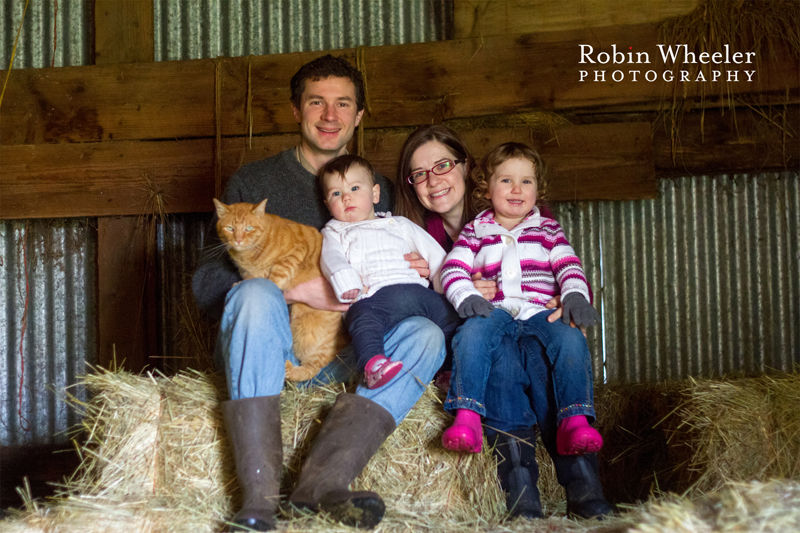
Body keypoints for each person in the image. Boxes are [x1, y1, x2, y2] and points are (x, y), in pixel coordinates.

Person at [192, 55, 446, 531]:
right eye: (317, 102)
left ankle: (322, 485)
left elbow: (423, 249)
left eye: (342, 104)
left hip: (359, 352)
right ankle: (259, 500)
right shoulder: (254, 182)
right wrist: (298, 291)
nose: (330, 115)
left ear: (358, 116)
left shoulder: (382, 189)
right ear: (295, 110)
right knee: (253, 294)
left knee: (427, 333)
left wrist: (420, 269)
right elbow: (207, 283)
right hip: (278, 348)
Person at [394, 127, 614, 520]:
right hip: (483, 341)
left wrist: (569, 300)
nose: (434, 179)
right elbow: (421, 299)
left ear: (467, 169)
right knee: (502, 362)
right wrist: (450, 290)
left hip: (533, 325)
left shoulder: (534, 220)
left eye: (443, 165)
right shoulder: (412, 235)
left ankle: (586, 492)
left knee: (547, 355)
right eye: (420, 173)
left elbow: (565, 267)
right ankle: (521, 498)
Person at [317, 154, 460, 389]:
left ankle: (448, 370)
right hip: (374, 298)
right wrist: (346, 282)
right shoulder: (334, 231)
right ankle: (373, 364)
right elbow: (332, 259)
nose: (347, 198)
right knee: (362, 321)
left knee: (452, 319)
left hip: (417, 293)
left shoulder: (399, 224)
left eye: (354, 188)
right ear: (326, 203)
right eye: (336, 193)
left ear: (375, 194)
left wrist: (451, 287)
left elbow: (435, 255)